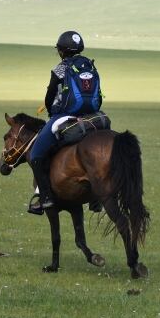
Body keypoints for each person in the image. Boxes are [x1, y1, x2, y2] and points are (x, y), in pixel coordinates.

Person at [28, 30, 102, 213]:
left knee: (36, 154)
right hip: (93, 114)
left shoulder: (60, 69)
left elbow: (49, 98)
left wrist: (53, 111)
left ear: (61, 51)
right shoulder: (91, 66)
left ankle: (45, 198)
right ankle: (97, 197)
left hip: (66, 114)